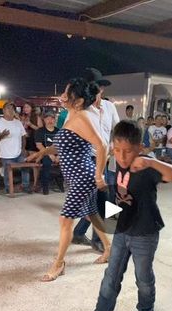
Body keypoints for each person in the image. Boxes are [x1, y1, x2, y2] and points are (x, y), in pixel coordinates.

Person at [76, 121, 172, 311]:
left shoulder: (145, 166)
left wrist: (151, 163)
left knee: (143, 277)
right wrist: (105, 213)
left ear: (139, 148)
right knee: (111, 276)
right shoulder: (114, 164)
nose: (122, 156)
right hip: (121, 231)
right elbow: (115, 195)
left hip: (145, 232)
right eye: (117, 150)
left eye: (128, 151)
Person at [27, 78, 111, 281]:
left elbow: (102, 146)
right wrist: (44, 151)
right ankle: (109, 249)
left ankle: (59, 264)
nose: (62, 96)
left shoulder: (82, 117)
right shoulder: (70, 116)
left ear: (79, 101)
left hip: (83, 176)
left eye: (67, 93)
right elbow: (64, 145)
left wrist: (99, 174)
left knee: (65, 219)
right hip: (75, 176)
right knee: (91, 212)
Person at [72, 68, 120, 253]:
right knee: (100, 200)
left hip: (105, 160)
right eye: (96, 86)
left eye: (100, 86)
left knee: (101, 199)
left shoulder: (109, 107)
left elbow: (117, 128)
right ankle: (98, 240)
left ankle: (79, 233)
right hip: (85, 161)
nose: (100, 90)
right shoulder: (79, 110)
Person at [0, 102, 30, 193]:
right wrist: (2, 135)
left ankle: (25, 186)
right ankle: (8, 188)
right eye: (8, 108)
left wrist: (23, 149)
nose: (10, 111)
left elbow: (23, 136)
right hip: (6, 154)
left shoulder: (18, 122)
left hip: (19, 152)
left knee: (25, 167)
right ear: (3, 110)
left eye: (12, 109)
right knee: (7, 171)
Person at [35, 110, 61, 195]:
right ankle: (45, 187)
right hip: (44, 154)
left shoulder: (59, 131)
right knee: (46, 163)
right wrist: (49, 154)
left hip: (58, 154)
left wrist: (59, 156)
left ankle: (60, 183)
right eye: (48, 118)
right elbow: (39, 145)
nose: (50, 120)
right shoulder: (40, 131)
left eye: (52, 118)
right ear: (44, 120)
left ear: (55, 119)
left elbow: (62, 145)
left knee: (67, 162)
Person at [21, 102, 43, 190]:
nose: (25, 109)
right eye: (24, 107)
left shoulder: (37, 117)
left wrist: (30, 125)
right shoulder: (23, 117)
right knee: (25, 162)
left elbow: (41, 130)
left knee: (35, 163)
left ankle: (35, 183)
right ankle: (25, 183)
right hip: (25, 141)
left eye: (27, 107)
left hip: (34, 141)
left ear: (31, 108)